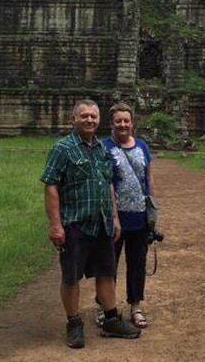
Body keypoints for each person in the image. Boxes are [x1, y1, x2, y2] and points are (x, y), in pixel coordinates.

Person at [40, 99, 141, 349]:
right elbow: (51, 185)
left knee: (106, 272)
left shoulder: (100, 149)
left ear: (98, 121)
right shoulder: (62, 149)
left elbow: (108, 185)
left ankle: (110, 319)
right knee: (71, 276)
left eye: (93, 117)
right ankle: (74, 322)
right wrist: (55, 225)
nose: (89, 120)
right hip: (74, 223)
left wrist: (115, 218)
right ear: (73, 119)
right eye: (84, 116)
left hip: (102, 223)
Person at [101, 102, 155, 329]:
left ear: (132, 122)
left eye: (126, 120)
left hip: (139, 217)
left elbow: (148, 179)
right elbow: (107, 183)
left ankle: (136, 306)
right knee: (108, 265)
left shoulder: (142, 145)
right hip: (114, 218)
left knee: (137, 263)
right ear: (111, 123)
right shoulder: (103, 147)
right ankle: (107, 309)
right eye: (118, 121)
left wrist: (153, 210)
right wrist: (113, 217)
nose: (122, 124)